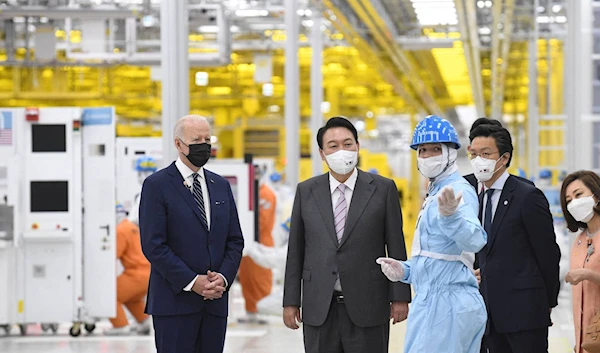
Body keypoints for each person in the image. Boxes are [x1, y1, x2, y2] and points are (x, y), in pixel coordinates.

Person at [283, 116, 411, 353]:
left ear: (358, 147)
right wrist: (290, 302)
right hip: (319, 306)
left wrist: (401, 296)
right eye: (333, 146)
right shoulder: (306, 191)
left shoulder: (383, 189)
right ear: (322, 153)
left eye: (348, 143)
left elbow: (396, 245)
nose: (342, 150)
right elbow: (296, 251)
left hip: (369, 304)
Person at [377, 115, 487, 353]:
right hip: (433, 303)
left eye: (435, 149)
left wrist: (453, 217)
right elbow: (439, 256)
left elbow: (475, 240)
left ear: (450, 152)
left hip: (447, 307)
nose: (427, 156)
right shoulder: (434, 193)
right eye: (422, 150)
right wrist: (406, 270)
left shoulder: (458, 192)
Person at [139, 115, 244, 353]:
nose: (204, 145)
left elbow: (234, 240)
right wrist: (192, 281)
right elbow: (154, 245)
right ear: (178, 144)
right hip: (174, 303)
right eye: (196, 140)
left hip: (215, 304)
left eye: (207, 139)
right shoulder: (157, 185)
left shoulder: (221, 185)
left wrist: (223, 279)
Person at [468, 122, 560, 353]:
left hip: (524, 314)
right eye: (474, 154)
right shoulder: (469, 195)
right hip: (483, 315)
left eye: (486, 154)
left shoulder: (527, 196)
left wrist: (547, 301)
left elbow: (547, 253)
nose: (479, 160)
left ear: (504, 158)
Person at [560, 170, 600, 353]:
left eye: (578, 195)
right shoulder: (579, 241)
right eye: (568, 200)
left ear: (596, 195)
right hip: (588, 339)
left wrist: (588, 275)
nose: (574, 203)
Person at [238, 166, 277, 324]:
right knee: (247, 278)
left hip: (262, 242)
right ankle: (251, 310)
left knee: (260, 278)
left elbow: (262, 222)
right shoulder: (249, 193)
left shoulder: (265, 194)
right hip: (247, 241)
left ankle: (262, 310)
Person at [105, 204, 151, 336]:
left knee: (110, 295)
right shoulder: (131, 227)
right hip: (147, 274)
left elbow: (112, 255)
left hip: (136, 274)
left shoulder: (120, 230)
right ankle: (144, 322)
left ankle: (120, 326)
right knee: (132, 299)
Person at [128, 156, 158, 225]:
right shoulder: (151, 192)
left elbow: (135, 219)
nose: (138, 177)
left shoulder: (147, 195)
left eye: (139, 174)